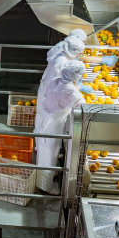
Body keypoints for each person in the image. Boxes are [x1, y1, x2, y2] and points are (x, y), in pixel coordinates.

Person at [35, 60, 87, 194]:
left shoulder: (55, 81)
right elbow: (84, 109)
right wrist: (78, 91)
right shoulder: (73, 93)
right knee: (50, 156)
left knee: (43, 153)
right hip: (54, 126)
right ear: (76, 75)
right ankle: (46, 187)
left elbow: (49, 95)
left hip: (45, 119)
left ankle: (42, 179)